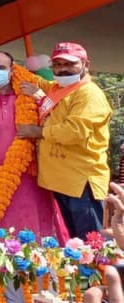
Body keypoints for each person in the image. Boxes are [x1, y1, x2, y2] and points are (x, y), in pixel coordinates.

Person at [18, 42, 111, 238]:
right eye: (58, 65)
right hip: (61, 181)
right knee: (75, 243)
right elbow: (37, 82)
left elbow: (74, 131)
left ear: (86, 64)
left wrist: (37, 131)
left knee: (93, 242)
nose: (63, 69)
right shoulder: (57, 88)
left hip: (81, 182)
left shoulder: (89, 94)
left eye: (69, 64)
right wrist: (12, 71)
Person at [0, 51, 68, 239]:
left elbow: (56, 120)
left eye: (0, 68)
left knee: (32, 219)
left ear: (12, 70)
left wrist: (40, 97)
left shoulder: (28, 93)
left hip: (28, 170)